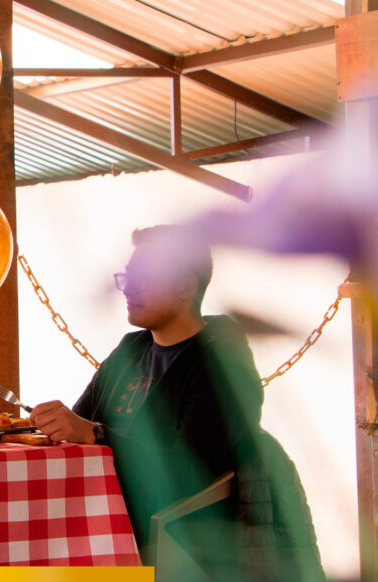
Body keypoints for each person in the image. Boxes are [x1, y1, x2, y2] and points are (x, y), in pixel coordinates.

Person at [27, 225, 269, 549]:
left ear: (185, 286)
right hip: (96, 515)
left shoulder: (221, 365)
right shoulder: (130, 350)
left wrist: (96, 434)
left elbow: (188, 471)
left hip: (170, 541)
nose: (128, 290)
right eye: (127, 277)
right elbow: (78, 426)